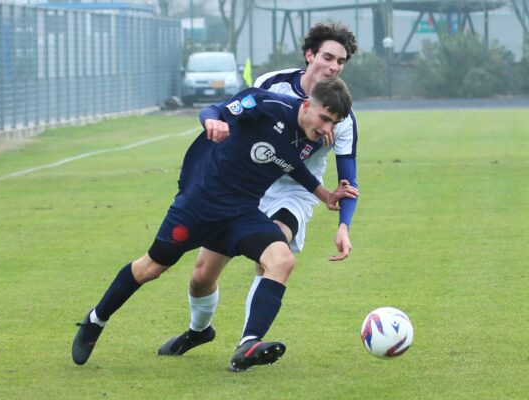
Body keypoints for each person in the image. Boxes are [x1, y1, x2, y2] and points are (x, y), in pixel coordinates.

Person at [71, 77, 358, 371]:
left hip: (243, 213)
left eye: (334, 123)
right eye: (324, 118)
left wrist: (323, 194)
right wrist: (214, 123)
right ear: (307, 105)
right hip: (199, 206)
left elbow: (289, 163)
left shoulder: (313, 137)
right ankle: (96, 320)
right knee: (151, 268)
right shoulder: (266, 104)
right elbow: (213, 110)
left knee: (281, 260)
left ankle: (249, 343)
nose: (327, 129)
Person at [157, 23, 359, 367]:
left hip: (294, 192)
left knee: (272, 253)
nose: (334, 66)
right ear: (310, 55)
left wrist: (344, 225)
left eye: (341, 61)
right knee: (202, 275)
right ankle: (198, 330)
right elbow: (231, 123)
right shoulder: (272, 84)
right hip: (245, 186)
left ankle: (249, 343)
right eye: (328, 56)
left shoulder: (342, 117)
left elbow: (348, 180)